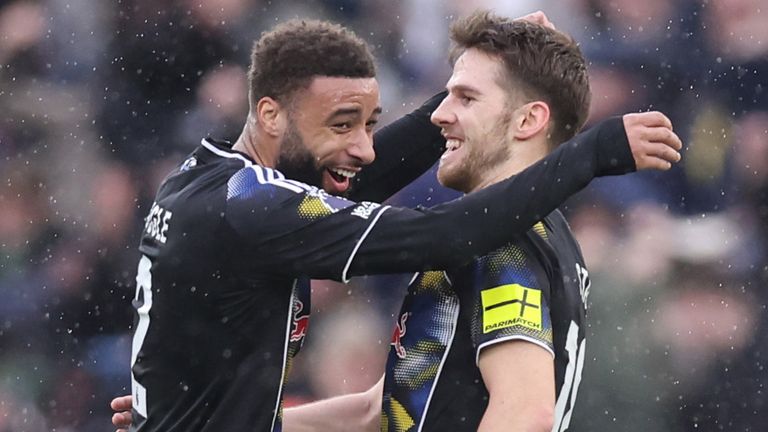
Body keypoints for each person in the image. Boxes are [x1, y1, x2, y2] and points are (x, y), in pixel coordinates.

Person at [114, 14, 681, 432]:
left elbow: (523, 414)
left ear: (530, 119)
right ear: (270, 115)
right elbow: (378, 410)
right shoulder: (251, 202)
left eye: (465, 98)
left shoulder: (505, 240)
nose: (363, 150)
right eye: (343, 125)